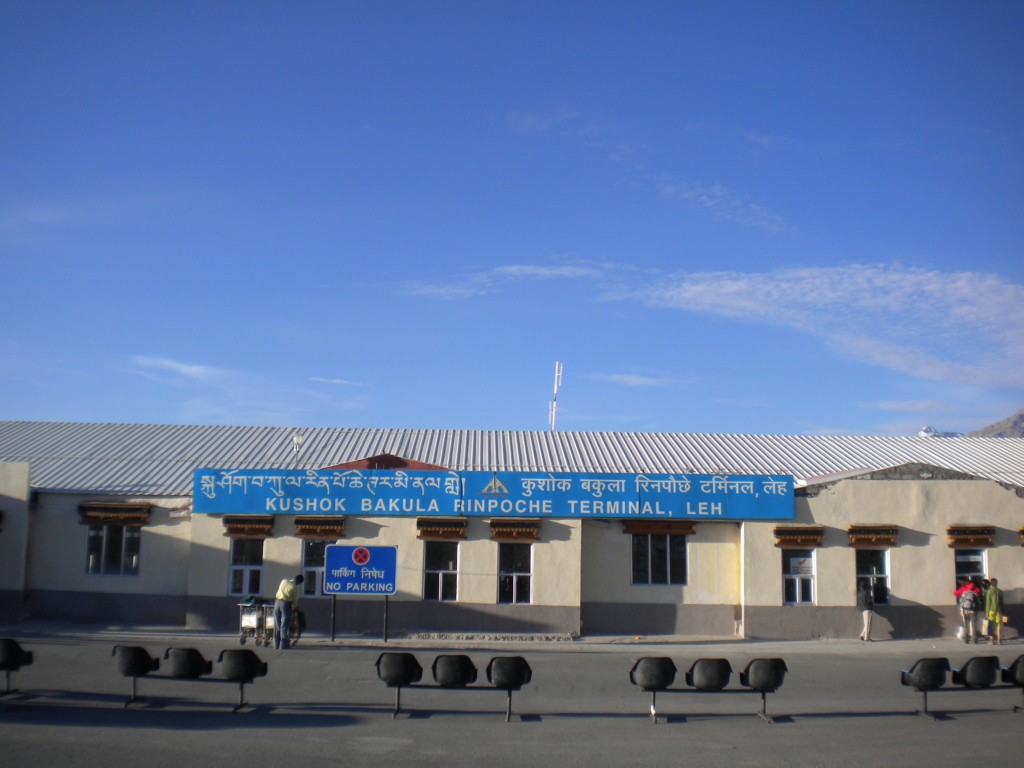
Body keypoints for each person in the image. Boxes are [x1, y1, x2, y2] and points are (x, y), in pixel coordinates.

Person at [274, 574, 304, 650]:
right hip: (285, 604)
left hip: (277, 602)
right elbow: (294, 599)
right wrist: (293, 606)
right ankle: (283, 644)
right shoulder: (295, 587)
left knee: (277, 624)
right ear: (299, 582)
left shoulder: (283, 581)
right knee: (284, 625)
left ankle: (276, 644)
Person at [985, 578, 1005, 646]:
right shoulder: (999, 591)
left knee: (991, 624)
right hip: (998, 610)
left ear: (991, 583)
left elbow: (988, 602)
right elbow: (1002, 602)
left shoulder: (989, 591)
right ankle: (999, 639)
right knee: (998, 624)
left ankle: (991, 639)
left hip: (991, 610)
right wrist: (1003, 610)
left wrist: (986, 611)